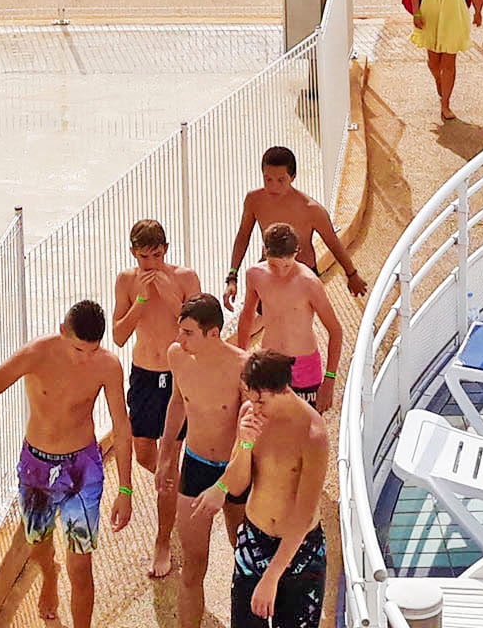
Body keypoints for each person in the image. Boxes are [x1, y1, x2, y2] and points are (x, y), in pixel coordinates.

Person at [0, 301, 132, 628]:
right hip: (37, 468)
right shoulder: (37, 354)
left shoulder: (107, 365)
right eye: (77, 349)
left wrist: (125, 489)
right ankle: (49, 575)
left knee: (81, 567)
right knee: (38, 544)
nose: (84, 358)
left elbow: (122, 427)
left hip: (80, 471)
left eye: (91, 350)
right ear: (62, 331)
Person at [153, 294, 249, 618]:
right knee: (193, 566)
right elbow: (178, 402)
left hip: (236, 470)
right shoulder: (177, 355)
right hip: (195, 466)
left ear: (213, 333)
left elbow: (246, 433)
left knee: (246, 554)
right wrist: (167, 455)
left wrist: (225, 485)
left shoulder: (242, 366)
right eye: (180, 330)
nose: (180, 339)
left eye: (188, 332)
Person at [220, 351, 330, 628]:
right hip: (254, 538)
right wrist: (244, 444)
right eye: (250, 399)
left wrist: (271, 577)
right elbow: (235, 487)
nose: (255, 408)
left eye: (261, 401)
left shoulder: (313, 433)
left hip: (299, 550)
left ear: (282, 390)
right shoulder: (250, 415)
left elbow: (303, 516)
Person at [114, 219, 201, 532]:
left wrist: (170, 297)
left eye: (156, 256)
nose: (150, 264)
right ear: (133, 254)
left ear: (166, 250)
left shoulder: (185, 278)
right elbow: (119, 336)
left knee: (168, 456)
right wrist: (139, 301)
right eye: (143, 258)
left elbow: (199, 331)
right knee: (144, 454)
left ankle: (165, 536)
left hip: (177, 376)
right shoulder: (126, 281)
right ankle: (178, 487)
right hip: (144, 375)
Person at [225, 146, 364, 299]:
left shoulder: (312, 209)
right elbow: (243, 235)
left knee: (298, 323)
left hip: (302, 278)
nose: (273, 186)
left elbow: (333, 243)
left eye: (280, 180)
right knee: (262, 321)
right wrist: (232, 276)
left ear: (293, 177)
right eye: (268, 179)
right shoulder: (254, 200)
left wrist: (352, 274)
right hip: (269, 275)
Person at [232, 223, 342, 406]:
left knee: (305, 429)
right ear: (265, 252)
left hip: (304, 364)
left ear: (297, 252)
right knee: (267, 426)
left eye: (286, 265)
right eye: (274, 266)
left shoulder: (309, 283)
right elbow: (247, 317)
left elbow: (335, 330)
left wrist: (329, 380)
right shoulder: (255, 275)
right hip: (269, 362)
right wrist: (242, 358)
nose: (281, 272)